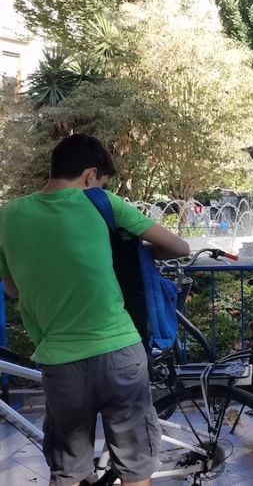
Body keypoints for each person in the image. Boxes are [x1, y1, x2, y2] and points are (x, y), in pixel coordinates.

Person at [0, 134, 190, 486]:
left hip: (60, 361)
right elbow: (179, 247)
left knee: (68, 471)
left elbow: (12, 289)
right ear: (90, 175)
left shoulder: (7, 215)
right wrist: (136, 253)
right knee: (135, 468)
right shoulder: (102, 203)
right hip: (120, 353)